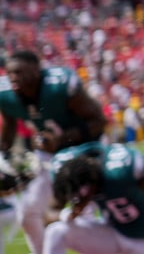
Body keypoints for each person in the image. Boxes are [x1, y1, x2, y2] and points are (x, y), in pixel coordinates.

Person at [0, 50, 108, 254]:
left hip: (84, 152)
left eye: (19, 72)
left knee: (82, 216)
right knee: (29, 215)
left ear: (36, 71)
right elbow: (9, 128)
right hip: (49, 156)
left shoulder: (60, 85)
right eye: (10, 73)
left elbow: (99, 122)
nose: (13, 77)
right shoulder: (6, 94)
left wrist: (63, 137)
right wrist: (4, 159)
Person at [44, 141, 144, 254]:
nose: (79, 202)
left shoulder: (119, 171)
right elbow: (49, 214)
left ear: (91, 183)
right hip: (111, 234)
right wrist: (67, 215)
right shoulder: (69, 173)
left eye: (80, 197)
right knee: (56, 231)